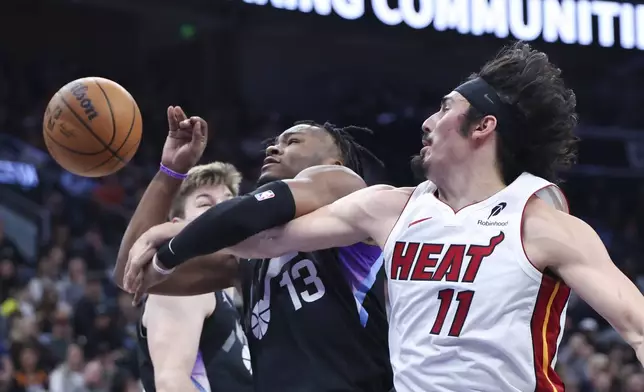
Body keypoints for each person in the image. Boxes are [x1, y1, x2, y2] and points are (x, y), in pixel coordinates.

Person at [125, 42, 644, 392]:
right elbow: (263, 239)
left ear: (484, 127)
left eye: (444, 109)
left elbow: (637, 326)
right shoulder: (392, 207)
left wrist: (173, 244)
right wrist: (173, 227)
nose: (427, 121)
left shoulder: (538, 218)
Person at [114, 108, 393, 391]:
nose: (273, 147)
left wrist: (170, 246)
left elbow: (259, 208)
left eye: (293, 142)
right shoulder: (244, 259)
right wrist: (170, 171)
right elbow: (131, 271)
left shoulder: (347, 190)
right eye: (276, 142)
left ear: (335, 162)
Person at [136, 162, 253, 392]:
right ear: (176, 227)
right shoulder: (182, 289)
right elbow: (171, 384)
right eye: (205, 204)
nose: (221, 211)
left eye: (228, 201)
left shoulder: (230, 292)